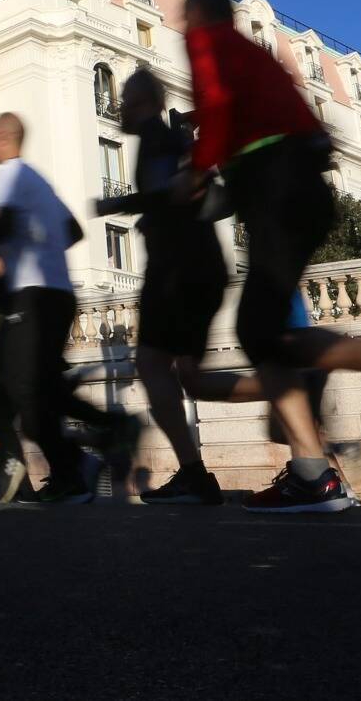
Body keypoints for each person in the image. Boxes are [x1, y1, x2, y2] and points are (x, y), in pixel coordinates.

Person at [178, 0, 355, 513]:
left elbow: (216, 101)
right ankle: (311, 469)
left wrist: (198, 167)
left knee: (257, 327)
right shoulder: (255, 53)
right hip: (302, 188)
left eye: (186, 15)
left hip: (277, 186)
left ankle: (313, 474)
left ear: (199, 13)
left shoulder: (207, 41)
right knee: (267, 327)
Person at [0, 113, 129, 505]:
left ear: (4, 138)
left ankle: (88, 450)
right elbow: (73, 230)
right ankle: (86, 452)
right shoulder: (39, 182)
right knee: (40, 385)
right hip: (59, 294)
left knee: (23, 389)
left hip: (32, 294)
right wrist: (41, 242)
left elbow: (1, 227)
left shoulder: (9, 174)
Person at [94, 69, 228, 505]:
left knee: (154, 365)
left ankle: (194, 472)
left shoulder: (158, 138)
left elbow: (179, 189)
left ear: (147, 103)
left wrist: (119, 204)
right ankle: (285, 390)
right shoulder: (160, 140)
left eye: (128, 100)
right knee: (189, 379)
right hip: (192, 267)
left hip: (179, 270)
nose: (120, 107)